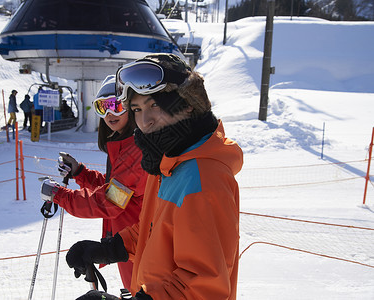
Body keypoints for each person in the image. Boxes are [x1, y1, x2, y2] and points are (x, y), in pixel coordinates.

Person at [51, 54, 244, 300]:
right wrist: (111, 249)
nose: (145, 120)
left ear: (186, 103)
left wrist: (61, 195)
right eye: (136, 109)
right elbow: (154, 229)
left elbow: (204, 283)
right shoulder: (166, 161)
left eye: (155, 105)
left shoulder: (202, 178)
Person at [40, 75, 147, 290]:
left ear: (130, 107)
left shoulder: (136, 150)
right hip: (129, 241)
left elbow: (111, 200)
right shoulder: (123, 145)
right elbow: (116, 188)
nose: (109, 114)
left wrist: (60, 195)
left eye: (116, 105)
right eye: (102, 107)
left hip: (140, 242)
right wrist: (80, 173)